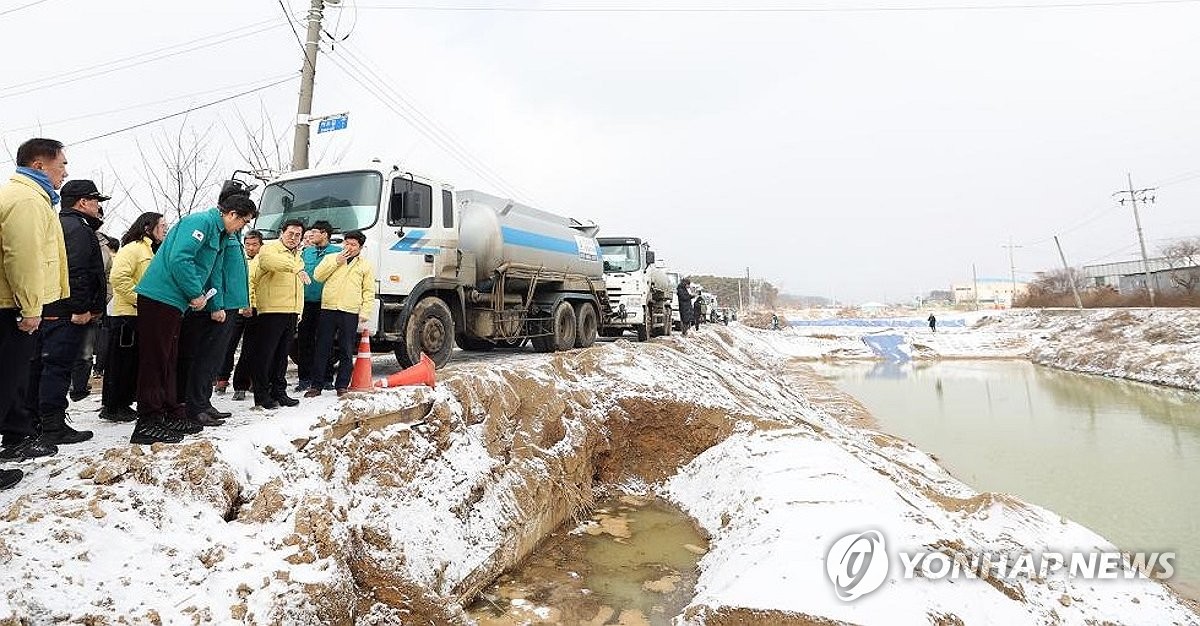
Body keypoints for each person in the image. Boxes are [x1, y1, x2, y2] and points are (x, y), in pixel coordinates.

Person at [131, 195, 258, 444]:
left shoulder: (220, 234)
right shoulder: (200, 223)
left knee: (169, 360)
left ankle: (169, 413)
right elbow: (181, 259)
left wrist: (210, 300)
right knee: (155, 361)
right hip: (160, 297)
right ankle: (148, 421)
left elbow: (211, 272)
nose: (242, 227)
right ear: (231, 214)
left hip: (175, 302)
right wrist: (195, 292)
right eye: (242, 221)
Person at [0, 138, 71, 472]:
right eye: (62, 164)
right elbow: (23, 258)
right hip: (10, 305)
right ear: (39, 165)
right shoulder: (27, 200)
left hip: (12, 302)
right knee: (5, 378)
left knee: (14, 378)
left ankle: (16, 437)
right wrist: (31, 307)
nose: (66, 171)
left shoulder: (34, 198)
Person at [27, 179, 111, 446]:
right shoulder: (76, 229)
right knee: (57, 367)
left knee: (43, 367)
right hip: (64, 312)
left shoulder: (64, 224)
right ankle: (52, 425)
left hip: (53, 308)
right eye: (96, 201)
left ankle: (37, 420)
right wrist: (81, 308)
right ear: (83, 202)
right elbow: (75, 271)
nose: (98, 207)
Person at [100, 212, 165, 423]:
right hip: (127, 315)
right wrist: (140, 300)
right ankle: (113, 406)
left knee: (134, 363)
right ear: (148, 227)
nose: (165, 229)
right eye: (161, 225)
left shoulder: (151, 250)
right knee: (121, 363)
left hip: (142, 316)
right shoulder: (133, 248)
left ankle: (124, 403)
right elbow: (118, 278)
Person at [305, 231, 375, 397]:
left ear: (360, 248)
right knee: (322, 346)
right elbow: (318, 276)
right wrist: (336, 262)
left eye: (353, 245)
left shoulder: (365, 265)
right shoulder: (331, 258)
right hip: (328, 308)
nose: (349, 247)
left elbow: (368, 289)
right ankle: (316, 385)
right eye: (347, 243)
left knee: (346, 348)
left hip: (349, 310)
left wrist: (365, 310)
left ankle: (342, 385)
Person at [247, 219, 307, 409]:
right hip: (271, 310)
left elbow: (299, 286)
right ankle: (262, 395)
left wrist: (299, 310)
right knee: (265, 355)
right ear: (282, 232)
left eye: (298, 235)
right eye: (290, 233)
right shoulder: (269, 249)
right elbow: (269, 263)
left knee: (282, 356)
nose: (294, 238)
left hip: (290, 310)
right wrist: (295, 267)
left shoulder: (297, 255)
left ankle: (279, 391)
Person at [295, 220, 341, 392]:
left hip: (326, 304)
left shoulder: (337, 253)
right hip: (306, 303)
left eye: (314, 232)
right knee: (304, 341)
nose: (311, 235)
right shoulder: (306, 252)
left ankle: (326, 378)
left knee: (325, 341)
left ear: (324, 234)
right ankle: (304, 378)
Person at [218, 229, 262, 396]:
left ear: (260, 245)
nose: (251, 248)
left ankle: (241, 384)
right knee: (228, 344)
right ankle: (222, 377)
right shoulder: (239, 258)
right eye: (248, 244)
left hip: (254, 307)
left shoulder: (262, 260)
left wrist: (249, 304)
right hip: (236, 306)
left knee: (249, 347)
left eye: (254, 244)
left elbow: (253, 284)